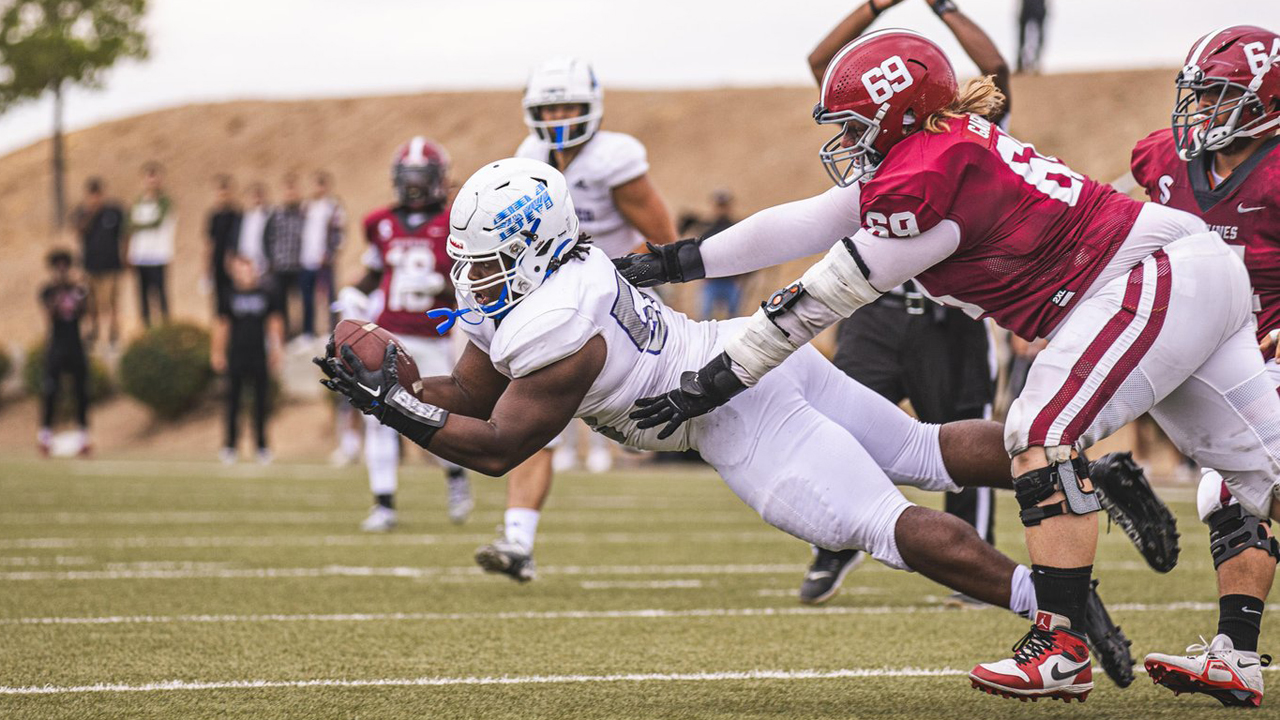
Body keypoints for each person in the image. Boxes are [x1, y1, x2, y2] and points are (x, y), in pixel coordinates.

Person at [316, 157, 1151, 688]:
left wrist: (389, 404)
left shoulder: (560, 328)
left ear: (536, 249)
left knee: (882, 523)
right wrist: (403, 385)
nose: (476, 278)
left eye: (491, 263)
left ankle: (1053, 606)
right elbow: (468, 391)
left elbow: (497, 446)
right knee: (922, 449)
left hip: (725, 409)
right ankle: (1084, 469)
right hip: (741, 351)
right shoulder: (554, 284)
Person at [623, 30, 1275, 703]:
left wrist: (714, 381)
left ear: (897, 117)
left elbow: (819, 299)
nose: (845, 141)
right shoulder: (937, 149)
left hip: (1148, 276)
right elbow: (806, 221)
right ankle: (1197, 656)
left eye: (855, 126)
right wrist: (678, 261)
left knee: (1040, 433)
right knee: (1265, 475)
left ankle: (1060, 645)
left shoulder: (926, 178)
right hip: (1180, 276)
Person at [794, 0, 1011, 607]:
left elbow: (994, 68)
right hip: (878, 312)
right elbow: (820, 64)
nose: (850, 130)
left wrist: (944, 9)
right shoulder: (867, 129)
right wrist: (872, 8)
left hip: (951, 319)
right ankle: (835, 543)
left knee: (962, 444)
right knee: (838, 431)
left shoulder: (967, 139)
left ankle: (974, 562)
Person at [474, 57, 679, 581]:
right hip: (556, 304)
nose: (560, 118)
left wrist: (605, 278)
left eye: (569, 107)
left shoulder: (615, 158)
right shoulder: (529, 157)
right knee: (528, 416)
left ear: (593, 108)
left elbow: (664, 237)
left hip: (618, 301)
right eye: (550, 108)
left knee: (674, 422)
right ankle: (517, 540)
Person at [1126, 25, 1280, 707]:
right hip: (1220, 364)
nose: (1204, 111)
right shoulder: (1161, 160)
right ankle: (1238, 657)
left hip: (1267, 352)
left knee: (1227, 491)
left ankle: (1238, 655)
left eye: (1221, 97)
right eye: (1200, 94)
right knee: (1232, 491)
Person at [341, 137, 473, 531]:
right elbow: (375, 272)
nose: (414, 186)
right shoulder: (380, 223)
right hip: (388, 334)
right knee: (376, 416)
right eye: (408, 178)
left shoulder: (454, 222)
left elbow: (470, 281)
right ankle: (384, 504)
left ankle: (456, 478)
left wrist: (442, 286)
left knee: (437, 417)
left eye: (421, 177)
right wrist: (353, 292)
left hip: (433, 335)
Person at [212, 255, 282, 464]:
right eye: (239, 270)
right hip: (236, 355)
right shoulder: (228, 295)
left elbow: (274, 322)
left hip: (259, 354)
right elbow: (222, 325)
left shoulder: (266, 293)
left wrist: (276, 350)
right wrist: (217, 352)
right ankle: (230, 446)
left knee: (261, 403)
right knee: (233, 402)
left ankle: (261, 446)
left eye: (246, 269)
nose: (243, 274)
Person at [38, 249, 95, 457]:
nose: (62, 269)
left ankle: (84, 437)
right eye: (58, 265)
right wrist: (60, 293)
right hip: (56, 345)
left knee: (81, 392)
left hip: (75, 344)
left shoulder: (78, 289)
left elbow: (83, 313)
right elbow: (50, 313)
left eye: (65, 265)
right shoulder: (47, 290)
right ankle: (44, 436)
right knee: (51, 391)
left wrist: (77, 293)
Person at [71, 178, 125, 350]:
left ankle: (113, 333)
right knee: (90, 304)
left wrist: (125, 256)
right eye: (92, 194)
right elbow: (78, 231)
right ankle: (93, 333)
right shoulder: (82, 212)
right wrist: (91, 212)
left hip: (111, 266)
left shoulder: (114, 211)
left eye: (98, 194)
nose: (95, 198)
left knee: (110, 302)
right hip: (90, 266)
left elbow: (125, 234)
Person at [126, 162, 176, 327]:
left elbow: (157, 223)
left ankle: (166, 329)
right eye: (149, 179)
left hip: (159, 256)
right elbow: (129, 226)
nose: (151, 183)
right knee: (142, 297)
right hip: (141, 256)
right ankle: (146, 329)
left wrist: (139, 225)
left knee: (160, 295)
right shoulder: (138, 202)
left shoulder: (165, 203)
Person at [300, 171, 344, 339]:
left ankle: (330, 329)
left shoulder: (333, 206)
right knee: (308, 295)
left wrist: (331, 253)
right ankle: (309, 330)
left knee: (328, 296)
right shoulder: (307, 206)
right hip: (307, 259)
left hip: (325, 259)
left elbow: (339, 232)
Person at [264, 174, 307, 338]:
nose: (290, 195)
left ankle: (302, 331)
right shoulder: (276, 215)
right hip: (280, 266)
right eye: (288, 192)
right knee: (280, 303)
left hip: (298, 265)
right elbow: (266, 238)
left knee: (301, 301)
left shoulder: (303, 214)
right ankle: (284, 333)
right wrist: (271, 260)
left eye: (293, 191)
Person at [699, 190, 743, 321]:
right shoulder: (708, 230)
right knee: (705, 317)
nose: (722, 210)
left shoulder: (737, 228)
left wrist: (743, 275)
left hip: (731, 281)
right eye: (719, 206)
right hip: (712, 281)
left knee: (734, 319)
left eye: (724, 206)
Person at [208, 175, 242, 312]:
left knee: (233, 296)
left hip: (233, 264)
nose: (223, 197)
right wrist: (206, 267)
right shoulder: (214, 216)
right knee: (218, 299)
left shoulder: (237, 215)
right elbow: (209, 242)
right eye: (220, 194)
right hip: (217, 262)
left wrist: (233, 260)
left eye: (226, 194)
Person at [238, 182, 270, 273]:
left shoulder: (269, 216)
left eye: (260, 196)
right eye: (254, 196)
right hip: (247, 264)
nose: (257, 199)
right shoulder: (245, 217)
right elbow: (243, 240)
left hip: (265, 264)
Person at [1017, 0, 1048, 74]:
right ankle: (1021, 64)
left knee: (1038, 36)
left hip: (1037, 7)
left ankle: (1036, 63)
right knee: (1023, 38)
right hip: (1028, 7)